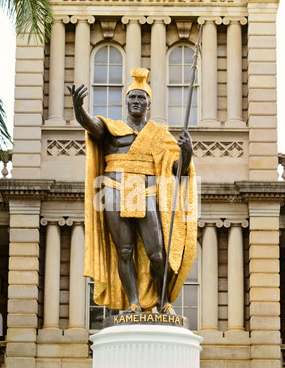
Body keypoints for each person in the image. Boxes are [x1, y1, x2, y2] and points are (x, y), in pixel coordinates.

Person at [67, 68, 197, 315]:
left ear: (149, 103)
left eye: (141, 98)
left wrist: (187, 152)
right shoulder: (112, 128)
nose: (136, 102)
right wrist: (78, 109)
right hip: (114, 189)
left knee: (157, 253)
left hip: (145, 191)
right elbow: (92, 125)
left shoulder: (159, 134)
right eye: (132, 98)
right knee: (124, 250)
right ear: (125, 102)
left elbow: (177, 170)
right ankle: (133, 303)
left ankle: (164, 302)